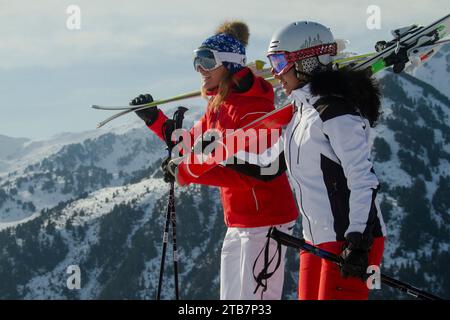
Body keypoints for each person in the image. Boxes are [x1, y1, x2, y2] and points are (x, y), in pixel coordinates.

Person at [131, 21, 298, 300]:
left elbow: (252, 174)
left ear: (230, 64)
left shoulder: (253, 110)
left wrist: (186, 174)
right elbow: (189, 144)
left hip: (266, 220)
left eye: (207, 61)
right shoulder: (219, 106)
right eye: (197, 61)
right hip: (238, 220)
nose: (200, 69)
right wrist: (155, 119)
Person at [264, 21, 387, 300]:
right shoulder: (301, 113)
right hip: (315, 240)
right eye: (273, 61)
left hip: (350, 239)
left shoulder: (336, 112)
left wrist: (357, 240)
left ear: (306, 61)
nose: (275, 72)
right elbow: (269, 165)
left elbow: (363, 178)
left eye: (280, 61)